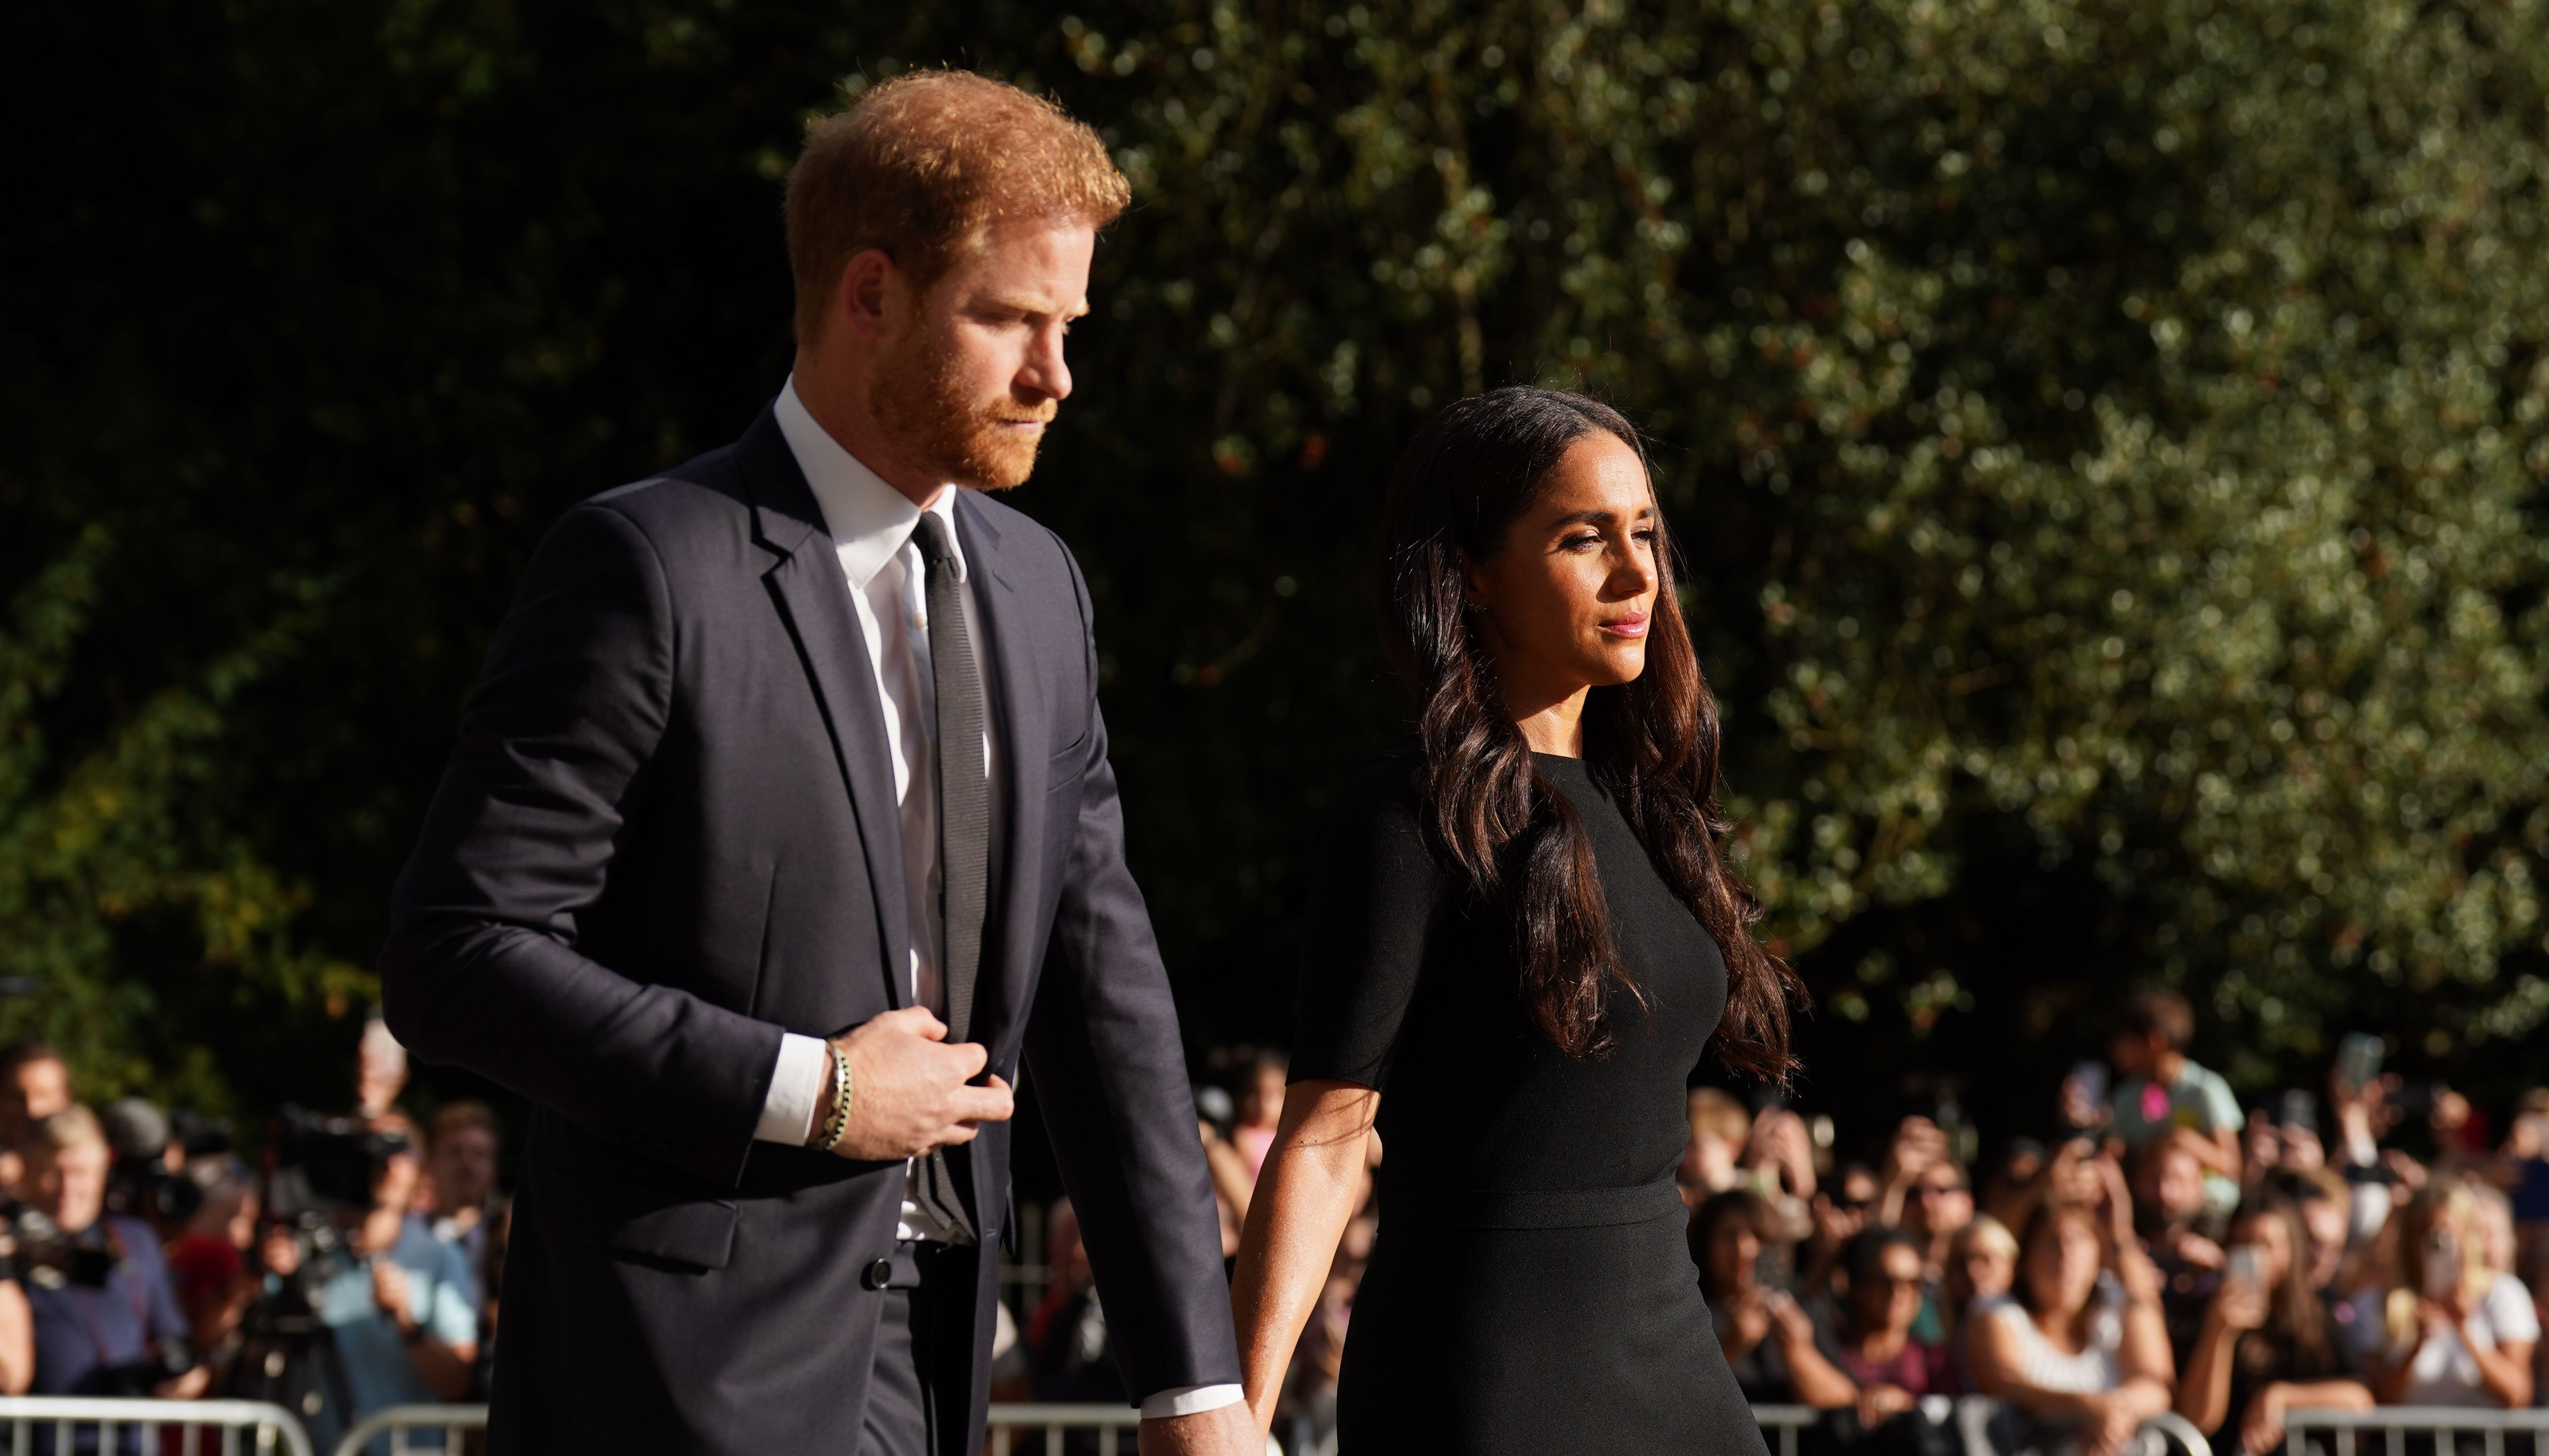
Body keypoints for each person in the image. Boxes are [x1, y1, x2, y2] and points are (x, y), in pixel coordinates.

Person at [380, 69, 1249, 1456]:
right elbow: (455, 954)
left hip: (945, 1361)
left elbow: (1107, 1002)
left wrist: (1195, 1390)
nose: (1057, 374)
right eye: (1011, 321)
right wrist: (817, 1092)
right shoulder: (648, 566)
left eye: (1068, 324)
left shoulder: (1043, 591)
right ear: (870, 296)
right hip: (679, 1375)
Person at [1228, 387, 1808, 1453]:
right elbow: (1326, 1132)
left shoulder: (1649, 806)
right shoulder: (1409, 813)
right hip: (1489, 1373)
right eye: (1585, 538)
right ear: (1474, 576)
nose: (1637, 574)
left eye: (1645, 534)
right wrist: (1234, 1415)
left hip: (1674, 1355)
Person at [279, 1139, 477, 1454]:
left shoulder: (440, 1257)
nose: (387, 1166)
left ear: (418, 1170)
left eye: (400, 1154)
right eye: (372, 1153)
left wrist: (406, 1324)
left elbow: (458, 1381)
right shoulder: (310, 1254)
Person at [16, 1106, 203, 1405]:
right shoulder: (12, 1251)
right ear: (26, 1173)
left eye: (80, 1173)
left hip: (131, 1442)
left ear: (104, 1170)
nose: (68, 1189)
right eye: (53, 1173)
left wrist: (180, 1378)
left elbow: (175, 1343)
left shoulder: (137, 1242)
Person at [1968, 1199, 2176, 1456]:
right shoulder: (1996, 1313)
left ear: (2098, 1253)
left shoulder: (2123, 1304)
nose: (2066, 1255)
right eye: (2053, 1241)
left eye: (2079, 1240)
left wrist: (2112, 1413)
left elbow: (2157, 1387)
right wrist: (2080, 1407)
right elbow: (2002, 1381)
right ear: (2026, 1256)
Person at [2175, 1197, 2369, 1456]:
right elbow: (2197, 1419)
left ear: (2290, 1251)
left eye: (2266, 1245)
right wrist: (2218, 1333)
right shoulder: (2200, 1314)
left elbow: (2358, 1399)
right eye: (2244, 1244)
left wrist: (2282, 1397)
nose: (2256, 1256)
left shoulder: (2315, 1314)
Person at [2355, 1178, 2537, 1409]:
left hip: (2481, 1443)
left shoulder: (2503, 1294)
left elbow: (2517, 1396)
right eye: (2426, 1234)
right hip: (2409, 1443)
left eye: (2448, 1233)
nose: (2438, 1243)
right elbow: (2379, 1401)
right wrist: (2416, 1345)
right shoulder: (2375, 1303)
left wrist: (2465, 1330)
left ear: (2468, 1236)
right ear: (2408, 1239)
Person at [1694, 1189, 1855, 1408]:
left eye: (1758, 1236)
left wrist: (1798, 1352)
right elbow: (1679, 1402)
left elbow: (1848, 1401)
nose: (1745, 1249)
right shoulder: (1690, 1315)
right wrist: (1731, 1345)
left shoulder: (1800, 1312)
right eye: (1730, 1236)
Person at [2105, 991, 2242, 1212]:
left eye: (2123, 1040)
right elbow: (2117, 1157)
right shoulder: (2127, 1095)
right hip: (2147, 1213)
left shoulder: (2204, 1090)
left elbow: (2232, 1165)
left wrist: (2181, 1140)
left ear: (2154, 1041)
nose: (2115, 1049)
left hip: (2208, 1211)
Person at [1815, 1228, 1952, 1426]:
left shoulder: (1935, 1361)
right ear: (1856, 1285)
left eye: (1913, 1282)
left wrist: (1909, 1406)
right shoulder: (1826, 1348)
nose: (1899, 1292)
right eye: (1884, 1281)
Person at [418, 1100, 500, 1302]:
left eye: (479, 1154)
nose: (466, 1163)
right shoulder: (406, 1236)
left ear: (494, 1169)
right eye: (454, 1152)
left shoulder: (508, 1239)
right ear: (430, 1162)